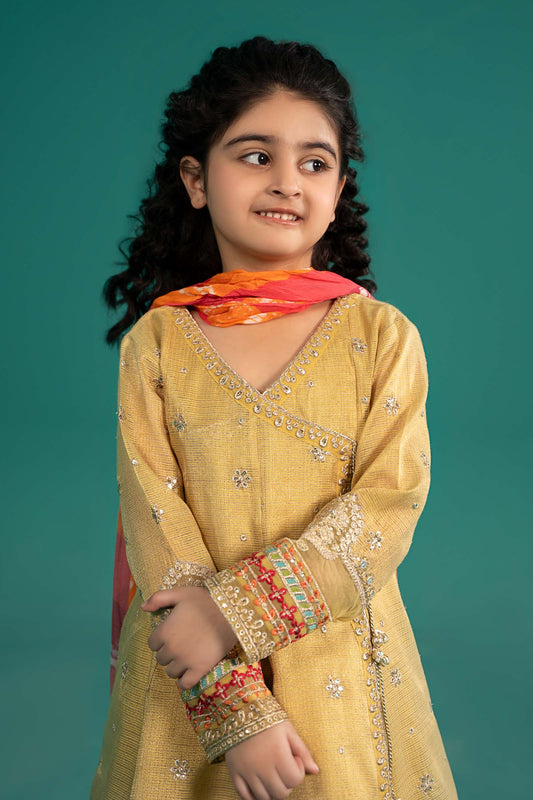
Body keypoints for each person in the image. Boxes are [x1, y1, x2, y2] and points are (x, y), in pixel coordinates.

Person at [91, 36, 457, 800]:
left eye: (314, 163)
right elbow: (158, 529)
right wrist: (237, 711)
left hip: (341, 676)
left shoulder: (380, 337)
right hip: (192, 685)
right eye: (255, 156)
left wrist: (232, 612)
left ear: (339, 187)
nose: (287, 181)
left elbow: (384, 509)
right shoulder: (157, 344)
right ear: (196, 179)